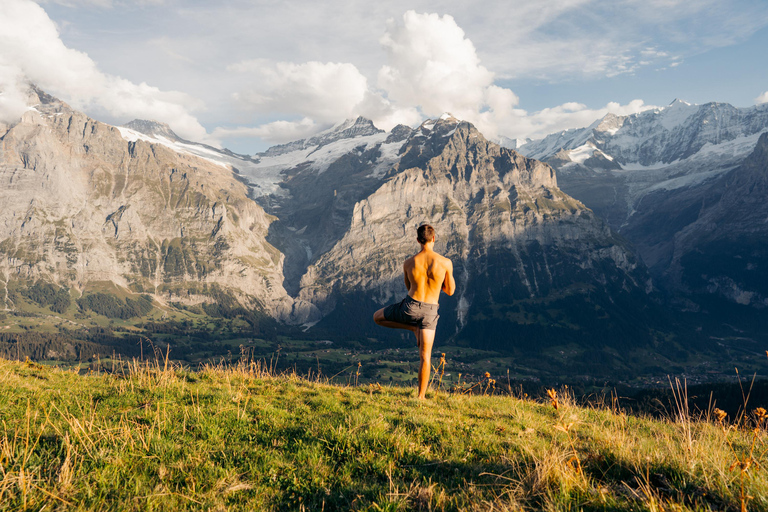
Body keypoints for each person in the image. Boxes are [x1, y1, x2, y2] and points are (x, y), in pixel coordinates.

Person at [373, 224, 456, 399]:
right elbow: (450, 291)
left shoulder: (409, 262)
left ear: (418, 240)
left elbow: (409, 286)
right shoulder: (445, 262)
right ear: (434, 238)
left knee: (377, 317)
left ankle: (412, 328)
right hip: (430, 311)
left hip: (410, 307)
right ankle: (420, 398)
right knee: (425, 357)